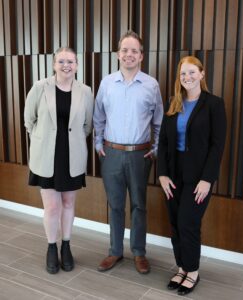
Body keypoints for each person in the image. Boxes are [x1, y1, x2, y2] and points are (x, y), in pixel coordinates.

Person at [93, 30, 163, 274]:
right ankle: (114, 251)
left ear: (141, 56)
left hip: (139, 156)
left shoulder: (151, 85)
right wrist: (99, 145)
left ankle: (139, 252)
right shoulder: (107, 83)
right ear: (118, 54)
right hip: (111, 154)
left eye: (134, 50)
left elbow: (159, 122)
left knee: (138, 205)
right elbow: (98, 116)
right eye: (125, 50)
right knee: (114, 205)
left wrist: (154, 150)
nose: (129, 54)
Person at [157, 56, 226, 295]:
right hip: (173, 173)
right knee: (176, 223)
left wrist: (208, 179)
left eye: (191, 72)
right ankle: (181, 267)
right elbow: (163, 142)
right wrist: (162, 174)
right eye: (183, 74)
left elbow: (218, 146)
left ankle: (193, 271)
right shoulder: (173, 103)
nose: (187, 77)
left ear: (202, 74)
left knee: (188, 222)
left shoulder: (214, 104)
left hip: (199, 176)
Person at [24, 47, 94, 274]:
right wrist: (44, 138)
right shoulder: (40, 87)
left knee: (68, 204)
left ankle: (66, 245)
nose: (66, 65)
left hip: (72, 156)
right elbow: (29, 120)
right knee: (52, 206)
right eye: (61, 61)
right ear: (54, 64)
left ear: (77, 65)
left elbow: (87, 125)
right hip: (46, 155)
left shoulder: (85, 91)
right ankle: (51, 247)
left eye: (71, 61)